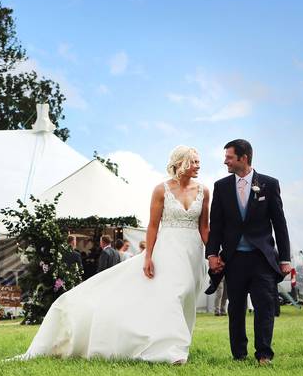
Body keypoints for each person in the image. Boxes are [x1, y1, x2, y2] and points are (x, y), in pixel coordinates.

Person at [11, 146, 209, 364]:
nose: (199, 166)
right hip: (168, 250)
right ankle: (172, 351)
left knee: (187, 296)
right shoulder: (161, 190)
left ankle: (178, 342)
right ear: (181, 163)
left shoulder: (203, 191)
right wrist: (148, 256)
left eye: (199, 162)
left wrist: (214, 254)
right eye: (195, 162)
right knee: (173, 295)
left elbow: (205, 227)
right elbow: (152, 226)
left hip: (193, 252)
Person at [206, 139, 290, 365]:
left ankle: (264, 354)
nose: (225, 161)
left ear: (243, 158)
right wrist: (212, 254)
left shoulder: (269, 184)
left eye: (229, 157)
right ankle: (239, 354)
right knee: (236, 308)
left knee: (264, 306)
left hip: (261, 257)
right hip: (234, 259)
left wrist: (285, 259)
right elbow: (217, 225)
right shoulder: (221, 186)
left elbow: (279, 224)